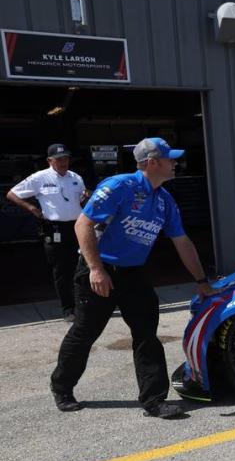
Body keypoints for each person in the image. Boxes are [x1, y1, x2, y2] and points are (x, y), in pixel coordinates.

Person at [49, 138, 214, 417]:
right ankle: (61, 386)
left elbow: (182, 241)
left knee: (146, 334)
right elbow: (83, 224)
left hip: (133, 273)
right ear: (152, 162)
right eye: (170, 159)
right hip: (99, 270)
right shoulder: (120, 187)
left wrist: (201, 281)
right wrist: (96, 270)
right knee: (85, 332)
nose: (176, 163)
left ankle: (154, 400)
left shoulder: (164, 199)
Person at [6, 143, 88, 321]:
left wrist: (86, 197)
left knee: (82, 266)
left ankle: (83, 303)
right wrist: (30, 207)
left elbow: (81, 197)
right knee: (61, 270)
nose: (63, 162)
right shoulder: (39, 178)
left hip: (77, 227)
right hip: (55, 229)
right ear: (49, 160)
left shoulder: (75, 177)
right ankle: (68, 309)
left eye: (66, 158)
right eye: (59, 159)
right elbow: (12, 194)